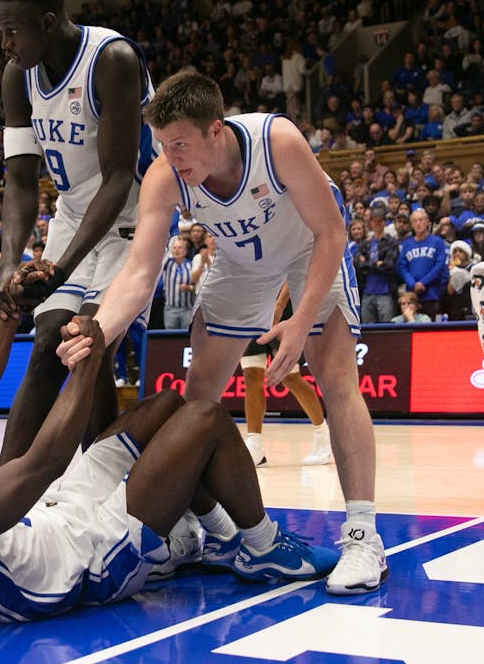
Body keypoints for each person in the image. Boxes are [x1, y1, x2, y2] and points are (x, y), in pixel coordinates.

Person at [57, 71, 387, 596]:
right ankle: (203, 529)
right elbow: (142, 271)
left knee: (335, 375)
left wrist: (300, 323)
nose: (172, 157)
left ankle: (362, 536)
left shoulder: (276, 141)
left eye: (181, 144)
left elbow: (331, 232)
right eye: (163, 145)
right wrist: (96, 331)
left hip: (309, 248)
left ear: (216, 130)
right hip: (239, 260)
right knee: (198, 402)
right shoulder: (167, 175)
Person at [0, 315, 339, 623]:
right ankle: (261, 545)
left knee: (163, 407)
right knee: (203, 418)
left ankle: (220, 539)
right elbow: (40, 464)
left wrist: (6, 312)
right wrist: (85, 365)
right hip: (89, 564)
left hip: (58, 515)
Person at [0, 0, 155, 465]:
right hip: (73, 216)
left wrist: (60, 268)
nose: (5, 45)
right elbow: (20, 181)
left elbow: (119, 177)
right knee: (47, 343)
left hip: (132, 217)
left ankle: (101, 488)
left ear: (46, 23)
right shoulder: (18, 76)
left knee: (85, 342)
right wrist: (8, 264)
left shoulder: (112, 60)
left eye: (12, 31)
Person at [241, 283, 332, 467]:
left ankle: (322, 436)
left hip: (282, 307)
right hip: (252, 303)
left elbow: (291, 269)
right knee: (251, 373)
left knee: (290, 377)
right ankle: (255, 445)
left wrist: (280, 304)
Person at [397, 209, 449, 318]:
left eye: (420, 220)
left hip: (432, 294)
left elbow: (439, 266)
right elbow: (402, 266)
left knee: (431, 330)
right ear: (411, 224)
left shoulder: (437, 242)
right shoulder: (407, 244)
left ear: (427, 222)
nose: (418, 223)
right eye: (415, 221)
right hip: (411, 296)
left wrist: (423, 283)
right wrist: (412, 284)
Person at [355, 205, 399, 323]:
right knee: (368, 332)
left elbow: (388, 265)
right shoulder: (365, 244)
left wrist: (367, 264)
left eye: (380, 221)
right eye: (374, 221)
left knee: (386, 331)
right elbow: (358, 264)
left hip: (385, 293)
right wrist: (377, 264)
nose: (377, 224)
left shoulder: (391, 242)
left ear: (384, 222)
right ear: (370, 223)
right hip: (366, 292)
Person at [161, 236, 196, 329]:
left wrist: (189, 288)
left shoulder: (191, 265)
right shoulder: (167, 264)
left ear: (185, 251)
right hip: (171, 309)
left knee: (186, 337)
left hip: (188, 309)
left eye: (180, 248)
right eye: (174, 248)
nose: (177, 250)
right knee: (170, 338)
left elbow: (198, 285)